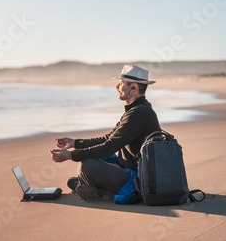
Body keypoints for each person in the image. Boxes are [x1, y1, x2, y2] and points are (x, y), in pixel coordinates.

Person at [49, 65, 160, 202]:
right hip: (129, 168)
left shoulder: (138, 113)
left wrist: (71, 155)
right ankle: (90, 185)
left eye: (120, 83)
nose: (116, 87)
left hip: (138, 180)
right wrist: (75, 143)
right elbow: (107, 138)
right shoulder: (136, 110)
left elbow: (109, 146)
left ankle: (102, 191)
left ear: (134, 87)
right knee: (96, 162)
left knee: (87, 166)